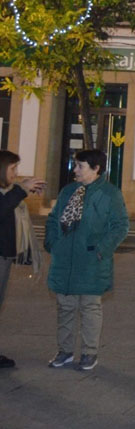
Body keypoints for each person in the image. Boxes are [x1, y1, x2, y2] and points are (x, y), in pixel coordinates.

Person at [44, 148, 129, 371]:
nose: (75, 169)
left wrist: (102, 249)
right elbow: (53, 219)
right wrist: (53, 242)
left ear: (96, 169)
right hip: (65, 259)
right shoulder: (68, 191)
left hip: (92, 259)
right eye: (75, 164)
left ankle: (89, 353)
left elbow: (120, 226)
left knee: (90, 306)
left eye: (80, 165)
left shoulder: (110, 193)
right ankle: (65, 351)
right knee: (65, 306)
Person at [0, 151, 46, 369]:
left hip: (4, 256)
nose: (16, 173)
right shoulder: (8, 193)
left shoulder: (6, 191)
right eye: (12, 169)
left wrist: (23, 191)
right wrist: (20, 190)